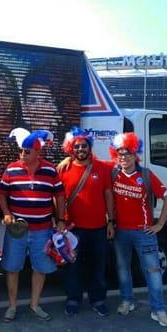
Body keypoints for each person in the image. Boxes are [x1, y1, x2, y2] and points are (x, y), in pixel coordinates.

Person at [0, 128, 65, 322]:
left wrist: (61, 219)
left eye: (27, 151)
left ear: (38, 152)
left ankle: (35, 305)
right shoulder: (11, 169)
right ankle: (12, 306)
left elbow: (60, 195)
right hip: (17, 230)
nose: (22, 154)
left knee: (41, 268)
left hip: (42, 231)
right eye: (21, 151)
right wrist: (7, 213)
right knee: (12, 268)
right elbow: (2, 193)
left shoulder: (50, 170)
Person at [109, 132, 167, 328]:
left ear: (135, 154)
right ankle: (127, 301)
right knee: (122, 270)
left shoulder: (145, 175)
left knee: (153, 271)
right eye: (120, 154)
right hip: (120, 232)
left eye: (127, 154)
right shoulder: (114, 174)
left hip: (143, 233)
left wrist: (160, 224)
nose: (124, 158)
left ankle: (158, 310)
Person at [57, 127, 114, 317]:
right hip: (73, 229)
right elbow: (57, 198)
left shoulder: (102, 168)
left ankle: (98, 300)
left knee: (98, 267)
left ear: (90, 147)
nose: (80, 149)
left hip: (99, 228)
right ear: (71, 149)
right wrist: (59, 220)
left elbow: (108, 195)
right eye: (77, 146)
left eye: (84, 146)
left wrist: (111, 221)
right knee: (73, 267)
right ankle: (73, 299)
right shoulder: (63, 169)